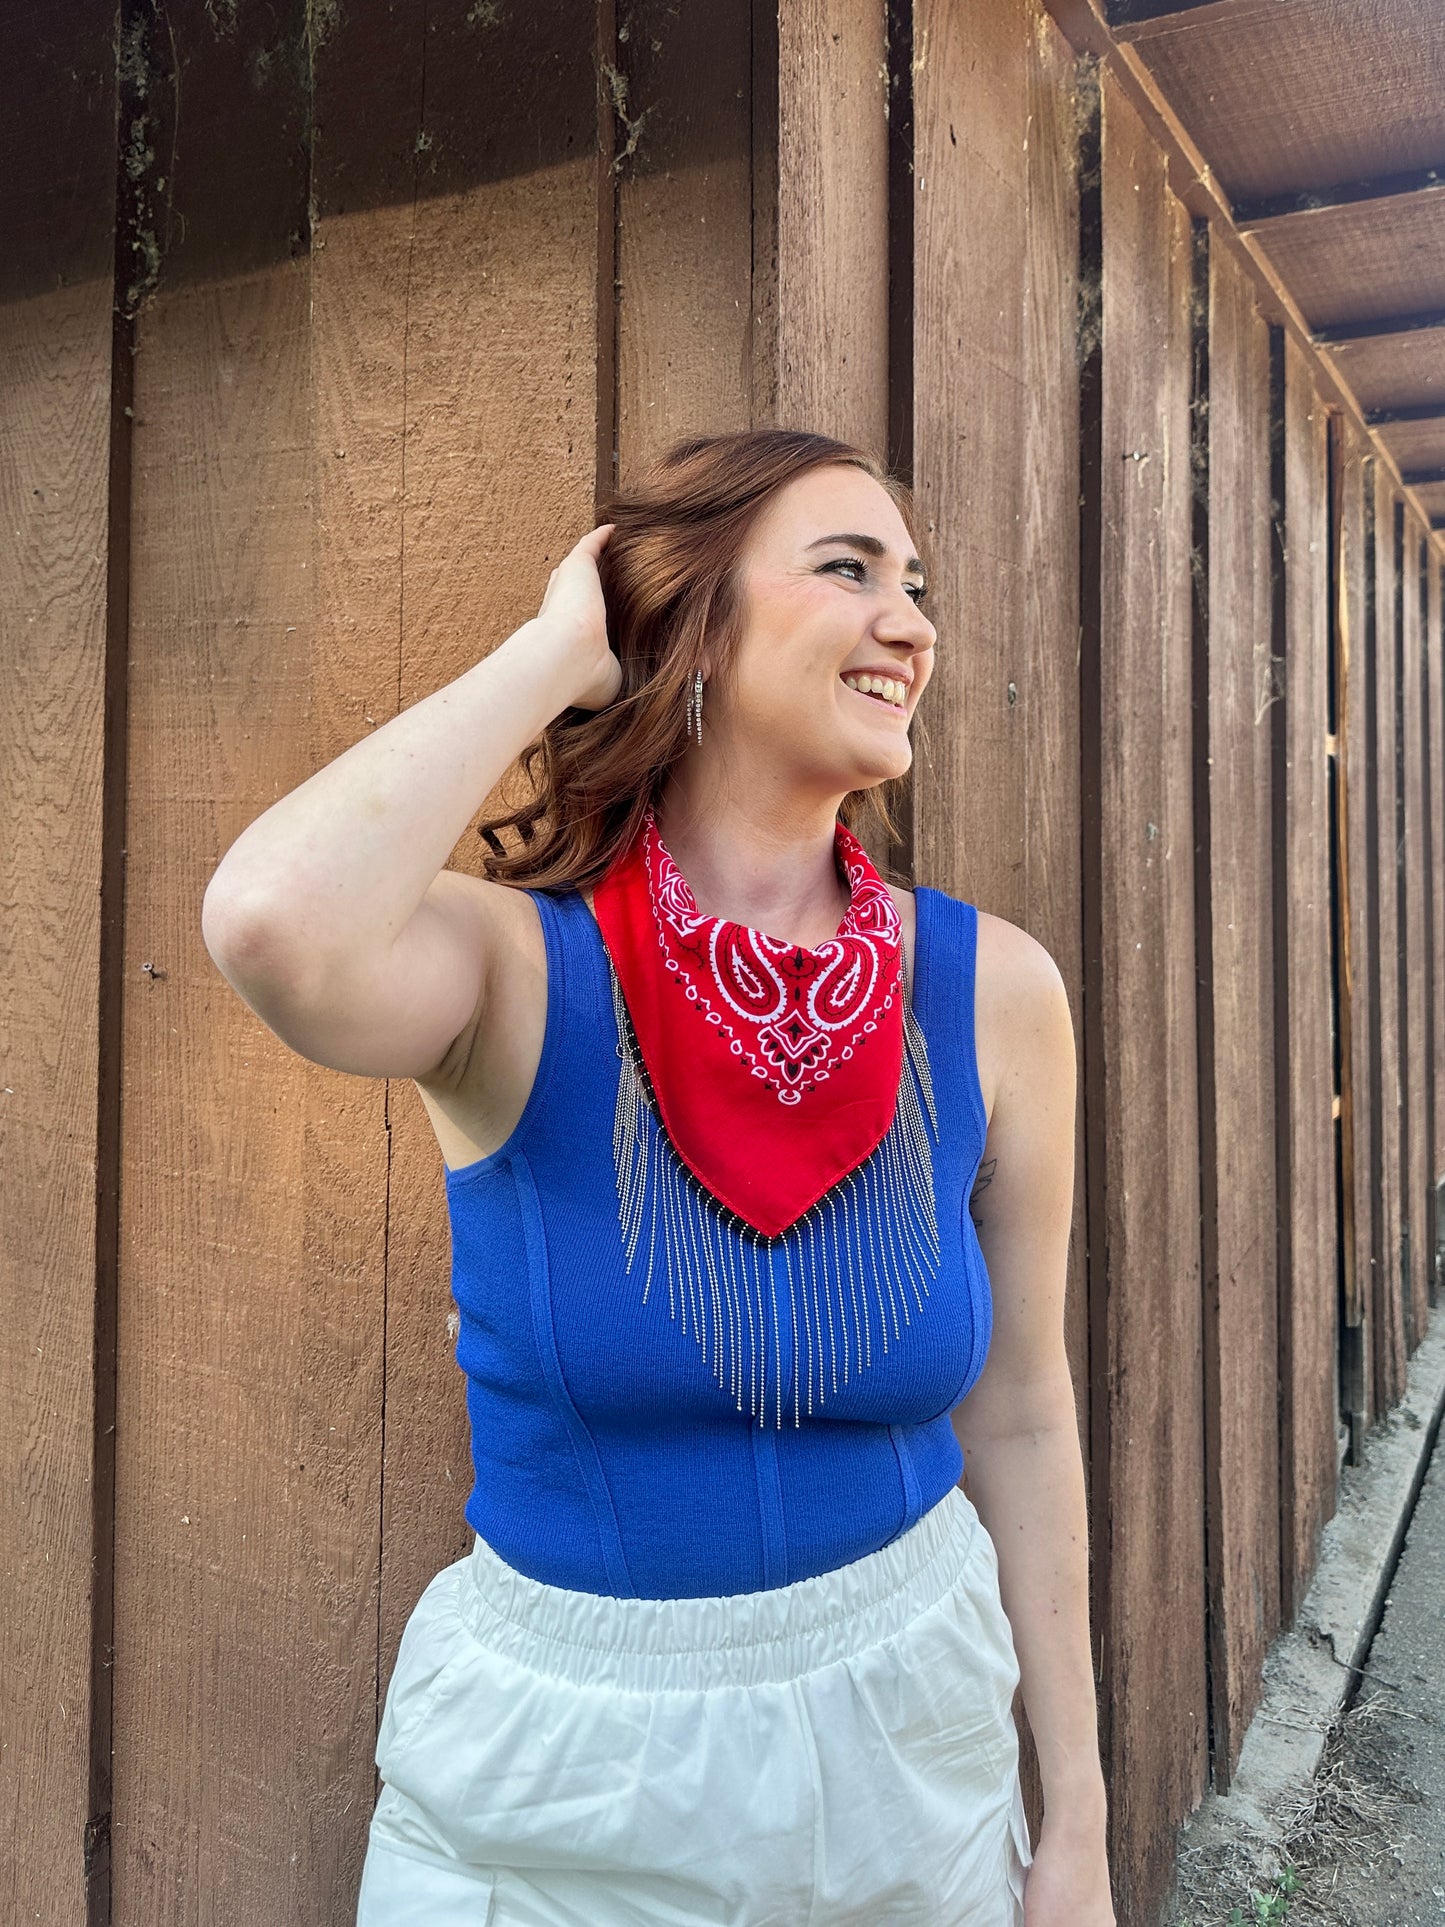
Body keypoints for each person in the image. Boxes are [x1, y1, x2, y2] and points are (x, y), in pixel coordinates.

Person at [201, 428, 1114, 1925]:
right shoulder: (516, 971)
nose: (912, 621)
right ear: (689, 617)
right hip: (564, 1780)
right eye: (847, 569)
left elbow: (1018, 1406)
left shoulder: (995, 990)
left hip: (914, 1741)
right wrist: (562, 647)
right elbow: (273, 923)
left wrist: (1070, 1823)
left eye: (918, 585)